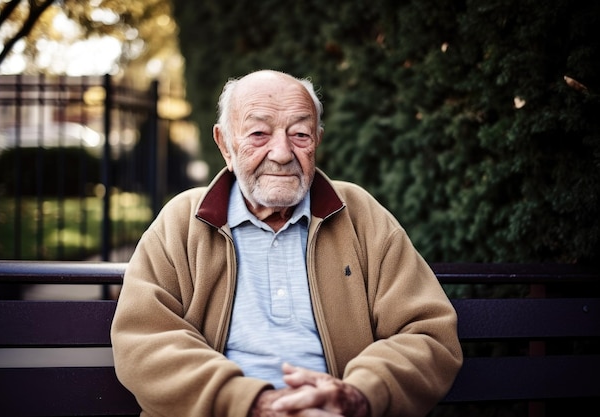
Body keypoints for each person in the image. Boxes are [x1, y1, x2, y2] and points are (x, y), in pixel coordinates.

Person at [111, 69, 462, 417]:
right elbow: (145, 341)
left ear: (317, 142)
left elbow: (426, 333)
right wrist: (251, 404)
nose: (281, 153)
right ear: (225, 145)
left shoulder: (360, 216)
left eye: (300, 134)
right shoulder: (181, 223)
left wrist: (357, 396)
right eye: (259, 133)